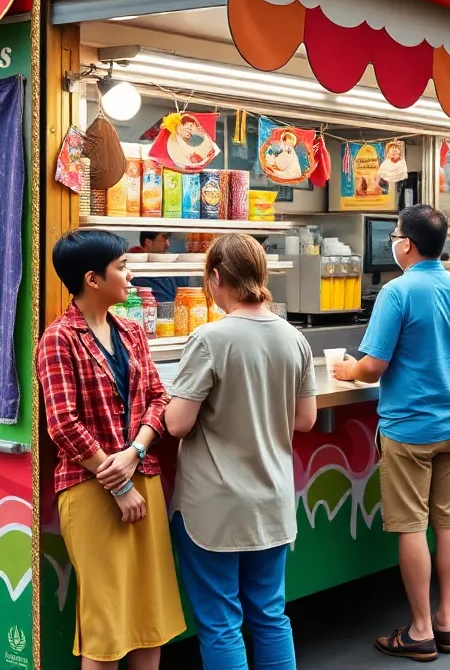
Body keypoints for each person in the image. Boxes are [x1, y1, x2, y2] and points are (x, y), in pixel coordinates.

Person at [333, 205, 450, 662]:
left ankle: (419, 630)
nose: (393, 243)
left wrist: (348, 369)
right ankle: (445, 621)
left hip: (409, 429)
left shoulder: (396, 292)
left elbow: (373, 366)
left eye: (395, 236)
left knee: (413, 526)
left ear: (408, 245)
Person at [163, 234, 319, 670]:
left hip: (214, 508)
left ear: (216, 278)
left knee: (221, 623)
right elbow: (305, 419)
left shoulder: (208, 339)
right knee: (270, 615)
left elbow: (177, 424)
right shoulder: (294, 338)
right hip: (271, 501)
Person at [37, 229, 185, 669]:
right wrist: (118, 482)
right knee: (106, 622)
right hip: (90, 488)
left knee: (149, 614)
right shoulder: (58, 339)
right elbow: (63, 424)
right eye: (122, 267)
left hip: (143, 477)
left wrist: (135, 451)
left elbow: (158, 397)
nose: (130, 274)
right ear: (93, 279)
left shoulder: (131, 330)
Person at [129, 231, 190, 304]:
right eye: (164, 238)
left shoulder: (173, 264)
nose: (168, 244)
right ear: (148, 242)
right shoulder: (135, 268)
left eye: (168, 239)